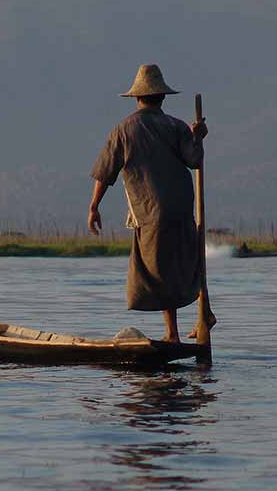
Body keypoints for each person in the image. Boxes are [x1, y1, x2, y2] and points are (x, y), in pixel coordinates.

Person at [88, 64, 208, 343]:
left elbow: (105, 172)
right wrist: (198, 138)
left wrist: (94, 206)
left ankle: (173, 335)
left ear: (138, 98)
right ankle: (198, 319)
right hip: (181, 210)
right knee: (184, 263)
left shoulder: (123, 130)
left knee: (160, 270)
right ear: (162, 97)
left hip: (153, 212)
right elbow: (195, 161)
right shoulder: (177, 126)